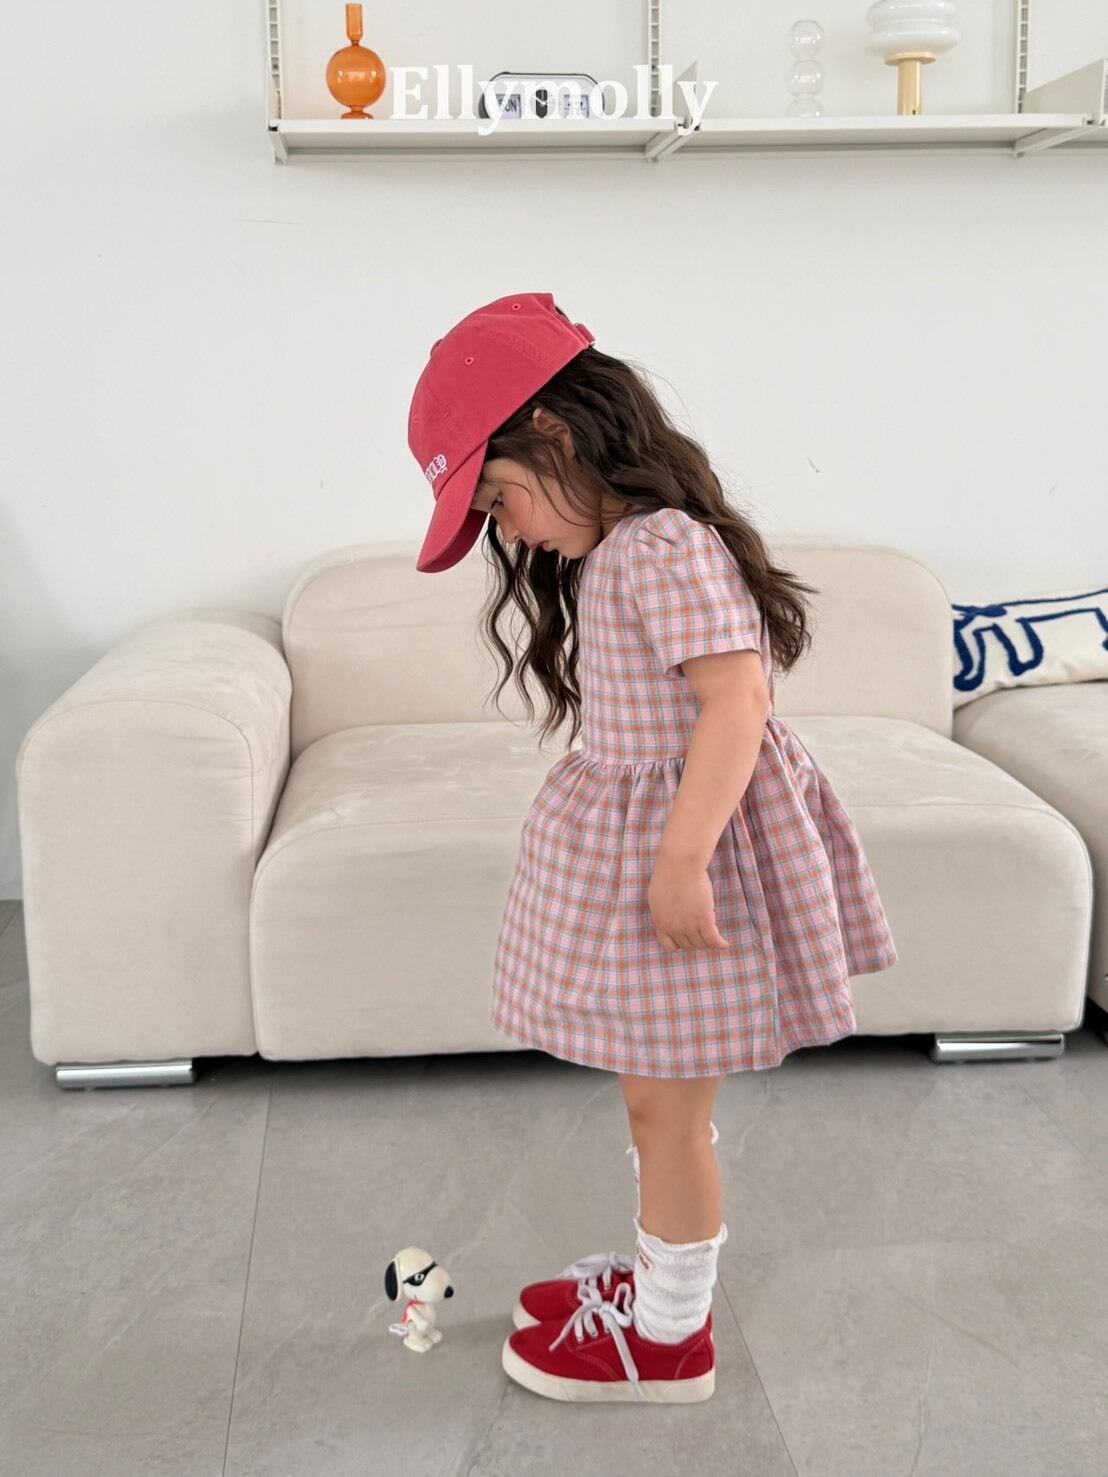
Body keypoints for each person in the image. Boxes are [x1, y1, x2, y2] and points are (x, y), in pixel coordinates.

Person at [407, 292, 899, 1404]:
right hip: (666, 843)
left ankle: (670, 1335)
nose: (507, 530)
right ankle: (659, 1280)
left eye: (497, 496)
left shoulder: (660, 546)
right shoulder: (623, 550)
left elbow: (736, 702)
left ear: (556, 433)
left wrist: (679, 863)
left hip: (693, 853)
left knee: (667, 1111)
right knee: (659, 1102)